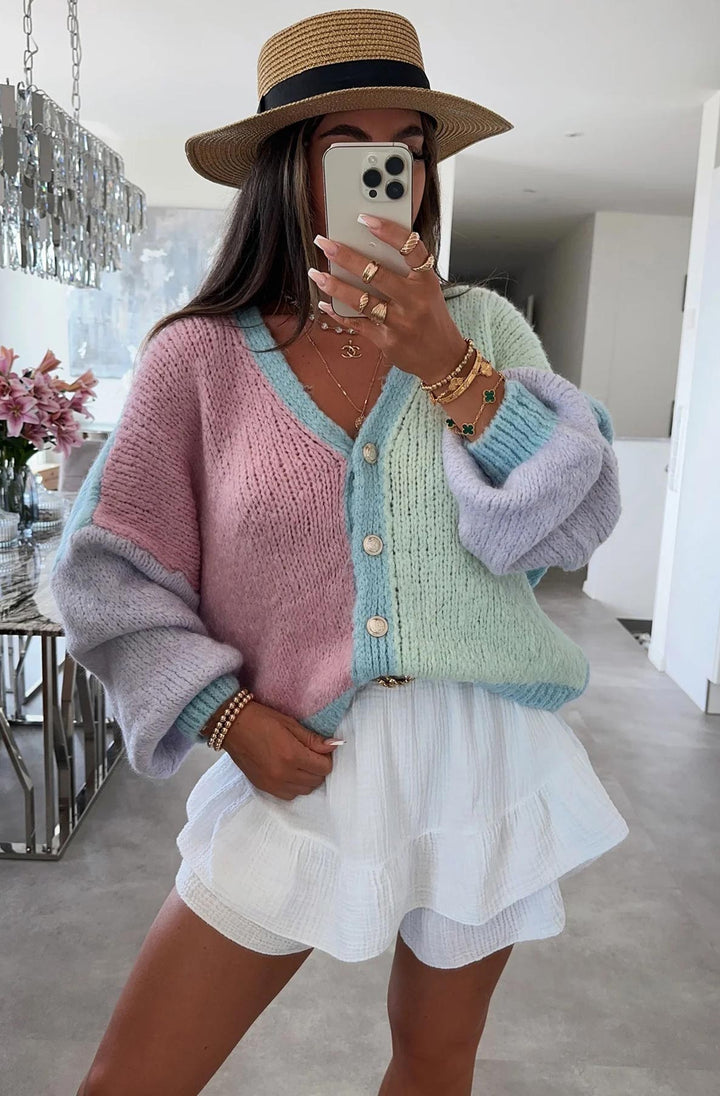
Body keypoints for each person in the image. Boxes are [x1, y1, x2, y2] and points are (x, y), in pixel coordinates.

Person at [54, 9, 629, 1096]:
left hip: (480, 750)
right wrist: (221, 713)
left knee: (433, 1065)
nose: (387, 173)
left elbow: (567, 524)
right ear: (289, 170)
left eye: (407, 148)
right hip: (299, 756)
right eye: (349, 149)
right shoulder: (199, 358)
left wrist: (452, 367)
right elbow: (105, 572)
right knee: (130, 1080)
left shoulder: (483, 329)